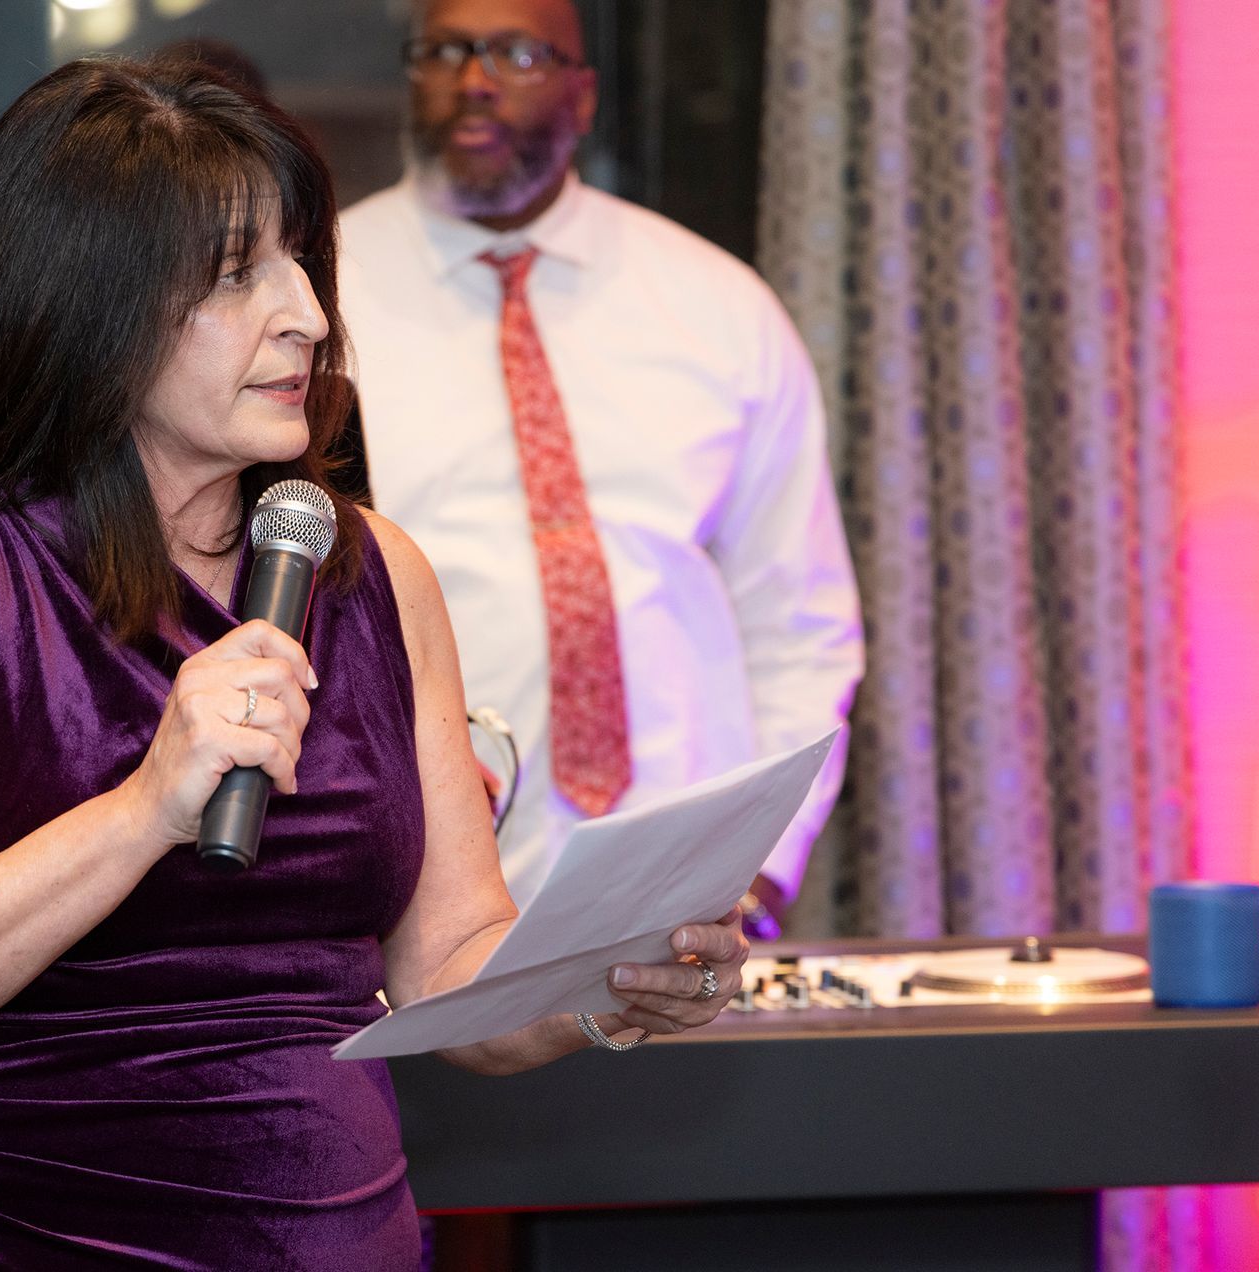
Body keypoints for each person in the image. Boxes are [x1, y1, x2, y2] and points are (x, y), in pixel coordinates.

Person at [0, 57, 747, 1270]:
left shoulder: (373, 571)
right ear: (92, 304)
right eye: (240, 276)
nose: (311, 318)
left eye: (303, 264)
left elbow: (450, 966)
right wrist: (143, 809)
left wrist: (607, 979)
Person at [337, 0, 865, 928]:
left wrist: (761, 868)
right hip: (417, 893)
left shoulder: (716, 305)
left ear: (583, 97)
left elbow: (798, 621)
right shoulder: (320, 299)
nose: (475, 80)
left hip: (687, 886)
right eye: (446, 51)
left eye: (517, 54)